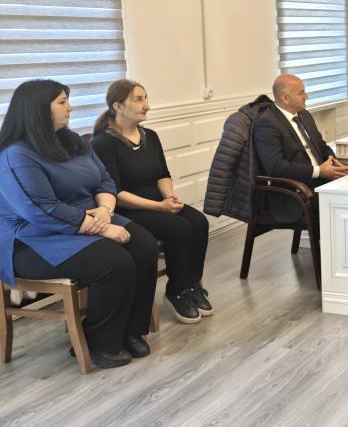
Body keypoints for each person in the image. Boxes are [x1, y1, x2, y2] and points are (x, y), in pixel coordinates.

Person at [0, 79, 159, 368]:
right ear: (38, 109)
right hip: (33, 239)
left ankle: (130, 330)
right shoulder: (15, 154)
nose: (70, 108)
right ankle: (99, 342)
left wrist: (106, 210)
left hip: (90, 217)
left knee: (145, 246)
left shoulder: (71, 139)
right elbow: (40, 209)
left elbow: (104, 180)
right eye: (62, 102)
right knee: (114, 262)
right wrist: (101, 226)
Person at [91, 79, 212, 324]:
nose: (146, 105)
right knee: (179, 228)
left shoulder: (150, 136)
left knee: (199, 222)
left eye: (145, 98)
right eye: (138, 100)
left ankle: (192, 285)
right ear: (118, 106)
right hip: (127, 209)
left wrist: (169, 197)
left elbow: (162, 174)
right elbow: (114, 191)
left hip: (158, 202)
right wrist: (159, 207)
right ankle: (177, 290)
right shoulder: (103, 143)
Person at [252, 74, 348, 223]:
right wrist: (319, 171)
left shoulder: (304, 115)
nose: (306, 96)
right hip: (294, 191)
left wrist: (334, 163)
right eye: (301, 93)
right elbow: (275, 167)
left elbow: (321, 146)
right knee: (343, 200)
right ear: (285, 98)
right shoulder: (267, 124)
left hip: (317, 181)